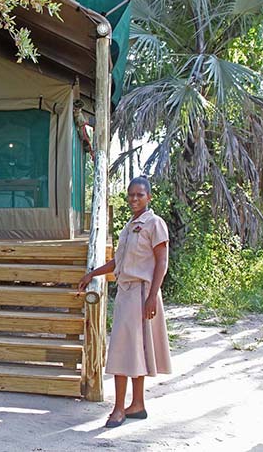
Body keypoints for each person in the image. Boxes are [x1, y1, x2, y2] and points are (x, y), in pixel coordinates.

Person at [78, 176, 172, 428]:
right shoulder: (129, 226)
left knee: (122, 351)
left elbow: (162, 262)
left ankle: (119, 408)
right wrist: (92, 274)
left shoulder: (154, 223)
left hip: (142, 293)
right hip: (126, 292)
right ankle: (137, 404)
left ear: (149, 197)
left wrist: (152, 296)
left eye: (139, 195)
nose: (134, 199)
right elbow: (118, 263)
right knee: (133, 351)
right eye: (131, 194)